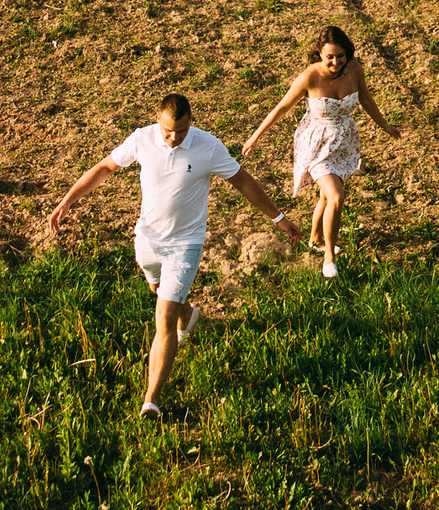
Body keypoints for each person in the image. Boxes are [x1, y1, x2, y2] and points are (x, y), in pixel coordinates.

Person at [45, 92, 303, 420]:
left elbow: (242, 181)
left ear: (191, 122)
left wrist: (278, 218)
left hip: (185, 244)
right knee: (158, 291)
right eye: (168, 130)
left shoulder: (208, 146)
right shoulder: (142, 139)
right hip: (147, 240)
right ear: (158, 120)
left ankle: (151, 399)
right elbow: (106, 167)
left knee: (164, 315)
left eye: (181, 131)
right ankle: (190, 314)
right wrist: (68, 200)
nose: (173, 137)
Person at [242, 25, 403, 280]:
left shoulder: (355, 70)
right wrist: (255, 137)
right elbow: (282, 107)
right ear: (320, 54)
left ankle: (315, 238)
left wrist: (385, 126)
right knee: (336, 196)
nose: (336, 62)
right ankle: (329, 256)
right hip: (316, 146)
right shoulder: (310, 77)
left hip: (344, 143)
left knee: (327, 197)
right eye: (330, 57)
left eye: (340, 56)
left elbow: (366, 99)